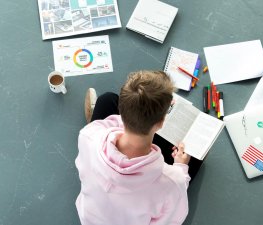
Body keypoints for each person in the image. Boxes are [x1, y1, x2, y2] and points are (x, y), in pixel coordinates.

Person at [75, 70, 192, 225]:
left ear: (121, 110)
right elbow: (170, 221)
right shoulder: (173, 181)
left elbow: (108, 124)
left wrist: (134, 115)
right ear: (161, 122)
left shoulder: (88, 135)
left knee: (107, 99)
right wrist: (181, 167)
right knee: (193, 158)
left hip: (90, 218)